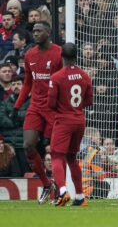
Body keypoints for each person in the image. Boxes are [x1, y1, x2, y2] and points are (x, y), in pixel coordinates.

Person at [13, 21, 62, 205]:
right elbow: (27, 83)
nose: (35, 34)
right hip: (35, 106)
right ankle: (47, 184)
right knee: (28, 145)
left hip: (54, 108)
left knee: (56, 151)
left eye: (39, 30)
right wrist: (17, 106)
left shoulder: (58, 53)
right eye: (33, 31)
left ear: (48, 32)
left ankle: (61, 188)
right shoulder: (30, 54)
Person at [47, 42, 93, 207]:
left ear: (62, 57)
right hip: (79, 119)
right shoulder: (85, 76)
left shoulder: (57, 77)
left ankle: (62, 192)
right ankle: (80, 197)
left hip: (63, 120)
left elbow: (51, 104)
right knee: (72, 157)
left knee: (56, 155)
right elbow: (88, 100)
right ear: (76, 56)